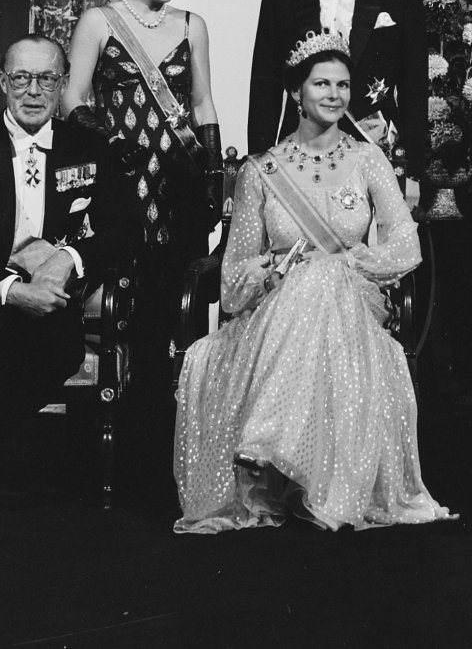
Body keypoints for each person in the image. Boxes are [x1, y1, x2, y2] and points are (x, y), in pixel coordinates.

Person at [174, 34, 452, 532]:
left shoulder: (369, 161)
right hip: (274, 314)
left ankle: (269, 442)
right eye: (321, 83)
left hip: (353, 307)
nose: (334, 94)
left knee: (323, 274)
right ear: (296, 93)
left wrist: (349, 265)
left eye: (343, 85)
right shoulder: (260, 171)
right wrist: (268, 272)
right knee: (309, 279)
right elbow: (234, 282)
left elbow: (406, 247)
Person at [0, 35, 140, 522]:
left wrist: (71, 258)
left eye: (46, 79)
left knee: (56, 341)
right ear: (2, 82)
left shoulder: (91, 148)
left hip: (57, 299)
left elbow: (125, 230)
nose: (33, 91)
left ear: (62, 84)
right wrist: (12, 290)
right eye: (21, 78)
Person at [63, 0, 223, 401]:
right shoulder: (99, 21)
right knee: (127, 296)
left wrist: (213, 173)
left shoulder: (192, 25)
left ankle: (175, 412)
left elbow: (201, 103)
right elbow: (72, 98)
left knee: (179, 297)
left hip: (178, 180)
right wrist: (107, 143)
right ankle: (128, 412)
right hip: (123, 175)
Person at [247, 0, 427, 203]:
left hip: (378, 150)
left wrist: (414, 168)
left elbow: (415, 89)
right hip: (300, 151)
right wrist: (259, 166)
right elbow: (265, 87)